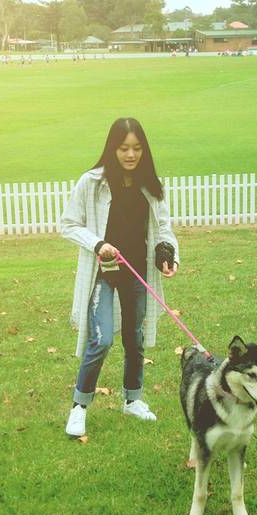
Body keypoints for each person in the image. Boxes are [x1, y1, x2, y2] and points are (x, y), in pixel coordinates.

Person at [60, 117, 179, 437]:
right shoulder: (91, 182)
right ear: (112, 148)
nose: (130, 154)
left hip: (138, 271)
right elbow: (68, 224)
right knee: (101, 340)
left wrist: (169, 257)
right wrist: (98, 244)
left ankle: (133, 399)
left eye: (137, 148)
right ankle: (79, 407)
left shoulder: (151, 185)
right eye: (124, 148)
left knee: (134, 338)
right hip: (104, 272)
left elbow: (163, 229)